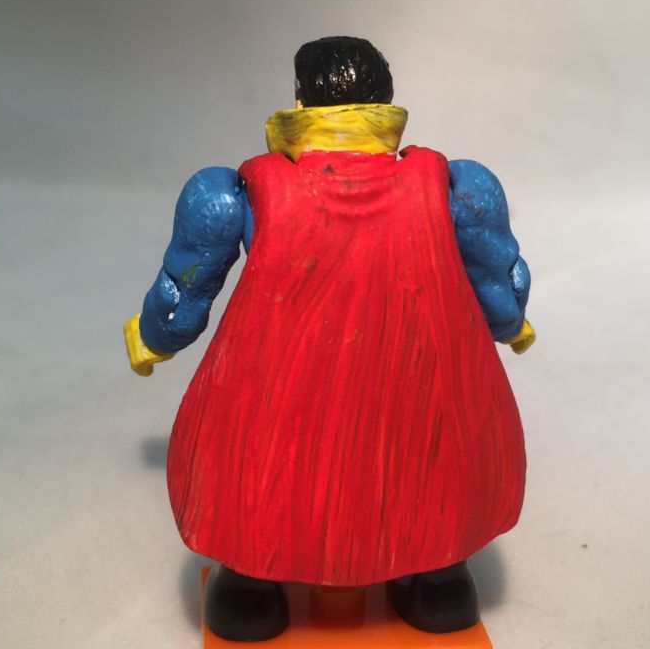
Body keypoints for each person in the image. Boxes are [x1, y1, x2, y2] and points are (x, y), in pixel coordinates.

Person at [124, 36, 535, 641]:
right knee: (432, 457)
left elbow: (184, 291)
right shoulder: (452, 185)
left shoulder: (237, 191)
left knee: (259, 461)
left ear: (300, 102)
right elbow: (498, 278)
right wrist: (511, 327)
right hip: (419, 373)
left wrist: (151, 339)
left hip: (280, 380)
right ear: (386, 102)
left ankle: (249, 590)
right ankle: (439, 584)